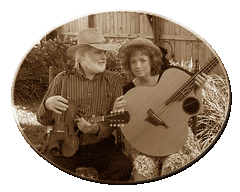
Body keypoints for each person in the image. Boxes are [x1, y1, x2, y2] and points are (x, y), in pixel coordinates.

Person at [37, 28, 132, 181]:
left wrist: (97, 129)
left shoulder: (113, 80)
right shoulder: (62, 79)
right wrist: (47, 104)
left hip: (100, 145)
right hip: (63, 144)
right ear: (81, 56)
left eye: (105, 53)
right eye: (97, 52)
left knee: (122, 167)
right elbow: (42, 120)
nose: (103, 57)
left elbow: (117, 119)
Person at [113, 38, 208, 181]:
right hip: (146, 142)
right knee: (141, 166)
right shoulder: (127, 91)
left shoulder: (171, 77)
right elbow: (125, 128)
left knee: (173, 164)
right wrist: (116, 113)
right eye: (133, 61)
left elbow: (195, 109)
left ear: (152, 61)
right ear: (128, 63)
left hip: (177, 137)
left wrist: (198, 90)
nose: (138, 65)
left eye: (143, 60)